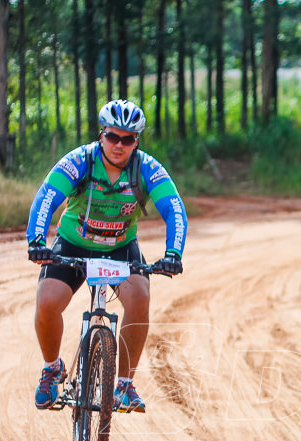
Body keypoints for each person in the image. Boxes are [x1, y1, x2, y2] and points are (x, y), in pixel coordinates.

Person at [27, 99, 187, 413]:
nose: (119, 145)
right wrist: (36, 240)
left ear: (136, 142)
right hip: (73, 243)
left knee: (139, 298)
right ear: (102, 135)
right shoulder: (79, 161)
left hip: (119, 247)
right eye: (113, 136)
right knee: (47, 301)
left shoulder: (147, 168)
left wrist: (173, 253)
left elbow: (175, 210)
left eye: (127, 140)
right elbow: (47, 197)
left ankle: (125, 385)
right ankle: (51, 368)